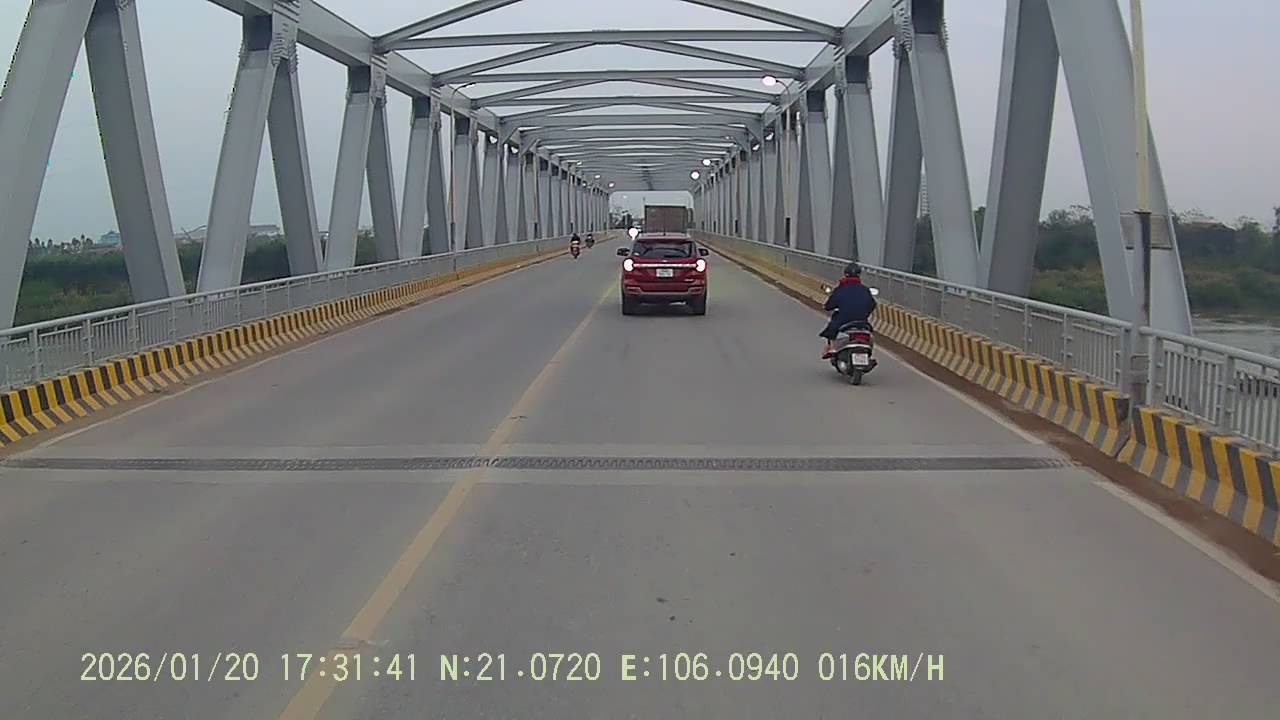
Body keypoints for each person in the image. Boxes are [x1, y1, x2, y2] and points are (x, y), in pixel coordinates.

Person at [820, 262, 877, 358]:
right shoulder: (865, 290)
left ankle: (832, 347)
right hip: (861, 321)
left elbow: (830, 305)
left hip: (844, 320)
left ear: (846, 274)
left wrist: (826, 306)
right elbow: (872, 305)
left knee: (833, 325)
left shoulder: (840, 289)